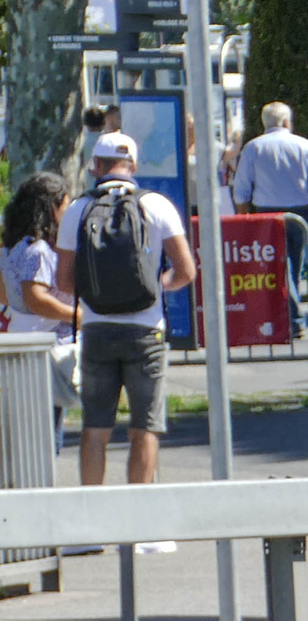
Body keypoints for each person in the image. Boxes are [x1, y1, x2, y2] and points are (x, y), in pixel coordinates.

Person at [57, 133, 195, 485]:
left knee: (95, 428)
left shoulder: (77, 210)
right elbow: (186, 271)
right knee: (144, 428)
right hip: (146, 331)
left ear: (95, 166)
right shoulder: (158, 205)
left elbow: (64, 281)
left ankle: (91, 524)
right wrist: (152, 287)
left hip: (97, 329)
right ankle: (142, 528)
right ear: (132, 166)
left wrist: (97, 295)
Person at [231, 100, 308, 335]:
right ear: (286, 121)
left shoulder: (253, 148)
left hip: (266, 214)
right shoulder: (303, 146)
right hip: (299, 213)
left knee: (273, 269)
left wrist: (244, 220)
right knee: (294, 268)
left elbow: (242, 189)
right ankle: (293, 318)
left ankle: (284, 317)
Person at [3, 172, 79, 448]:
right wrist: (77, 317)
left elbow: (10, 294)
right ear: (52, 208)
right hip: (45, 352)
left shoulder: (14, 248)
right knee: (47, 432)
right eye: (65, 206)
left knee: (26, 428)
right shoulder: (39, 252)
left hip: (22, 345)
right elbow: (35, 297)